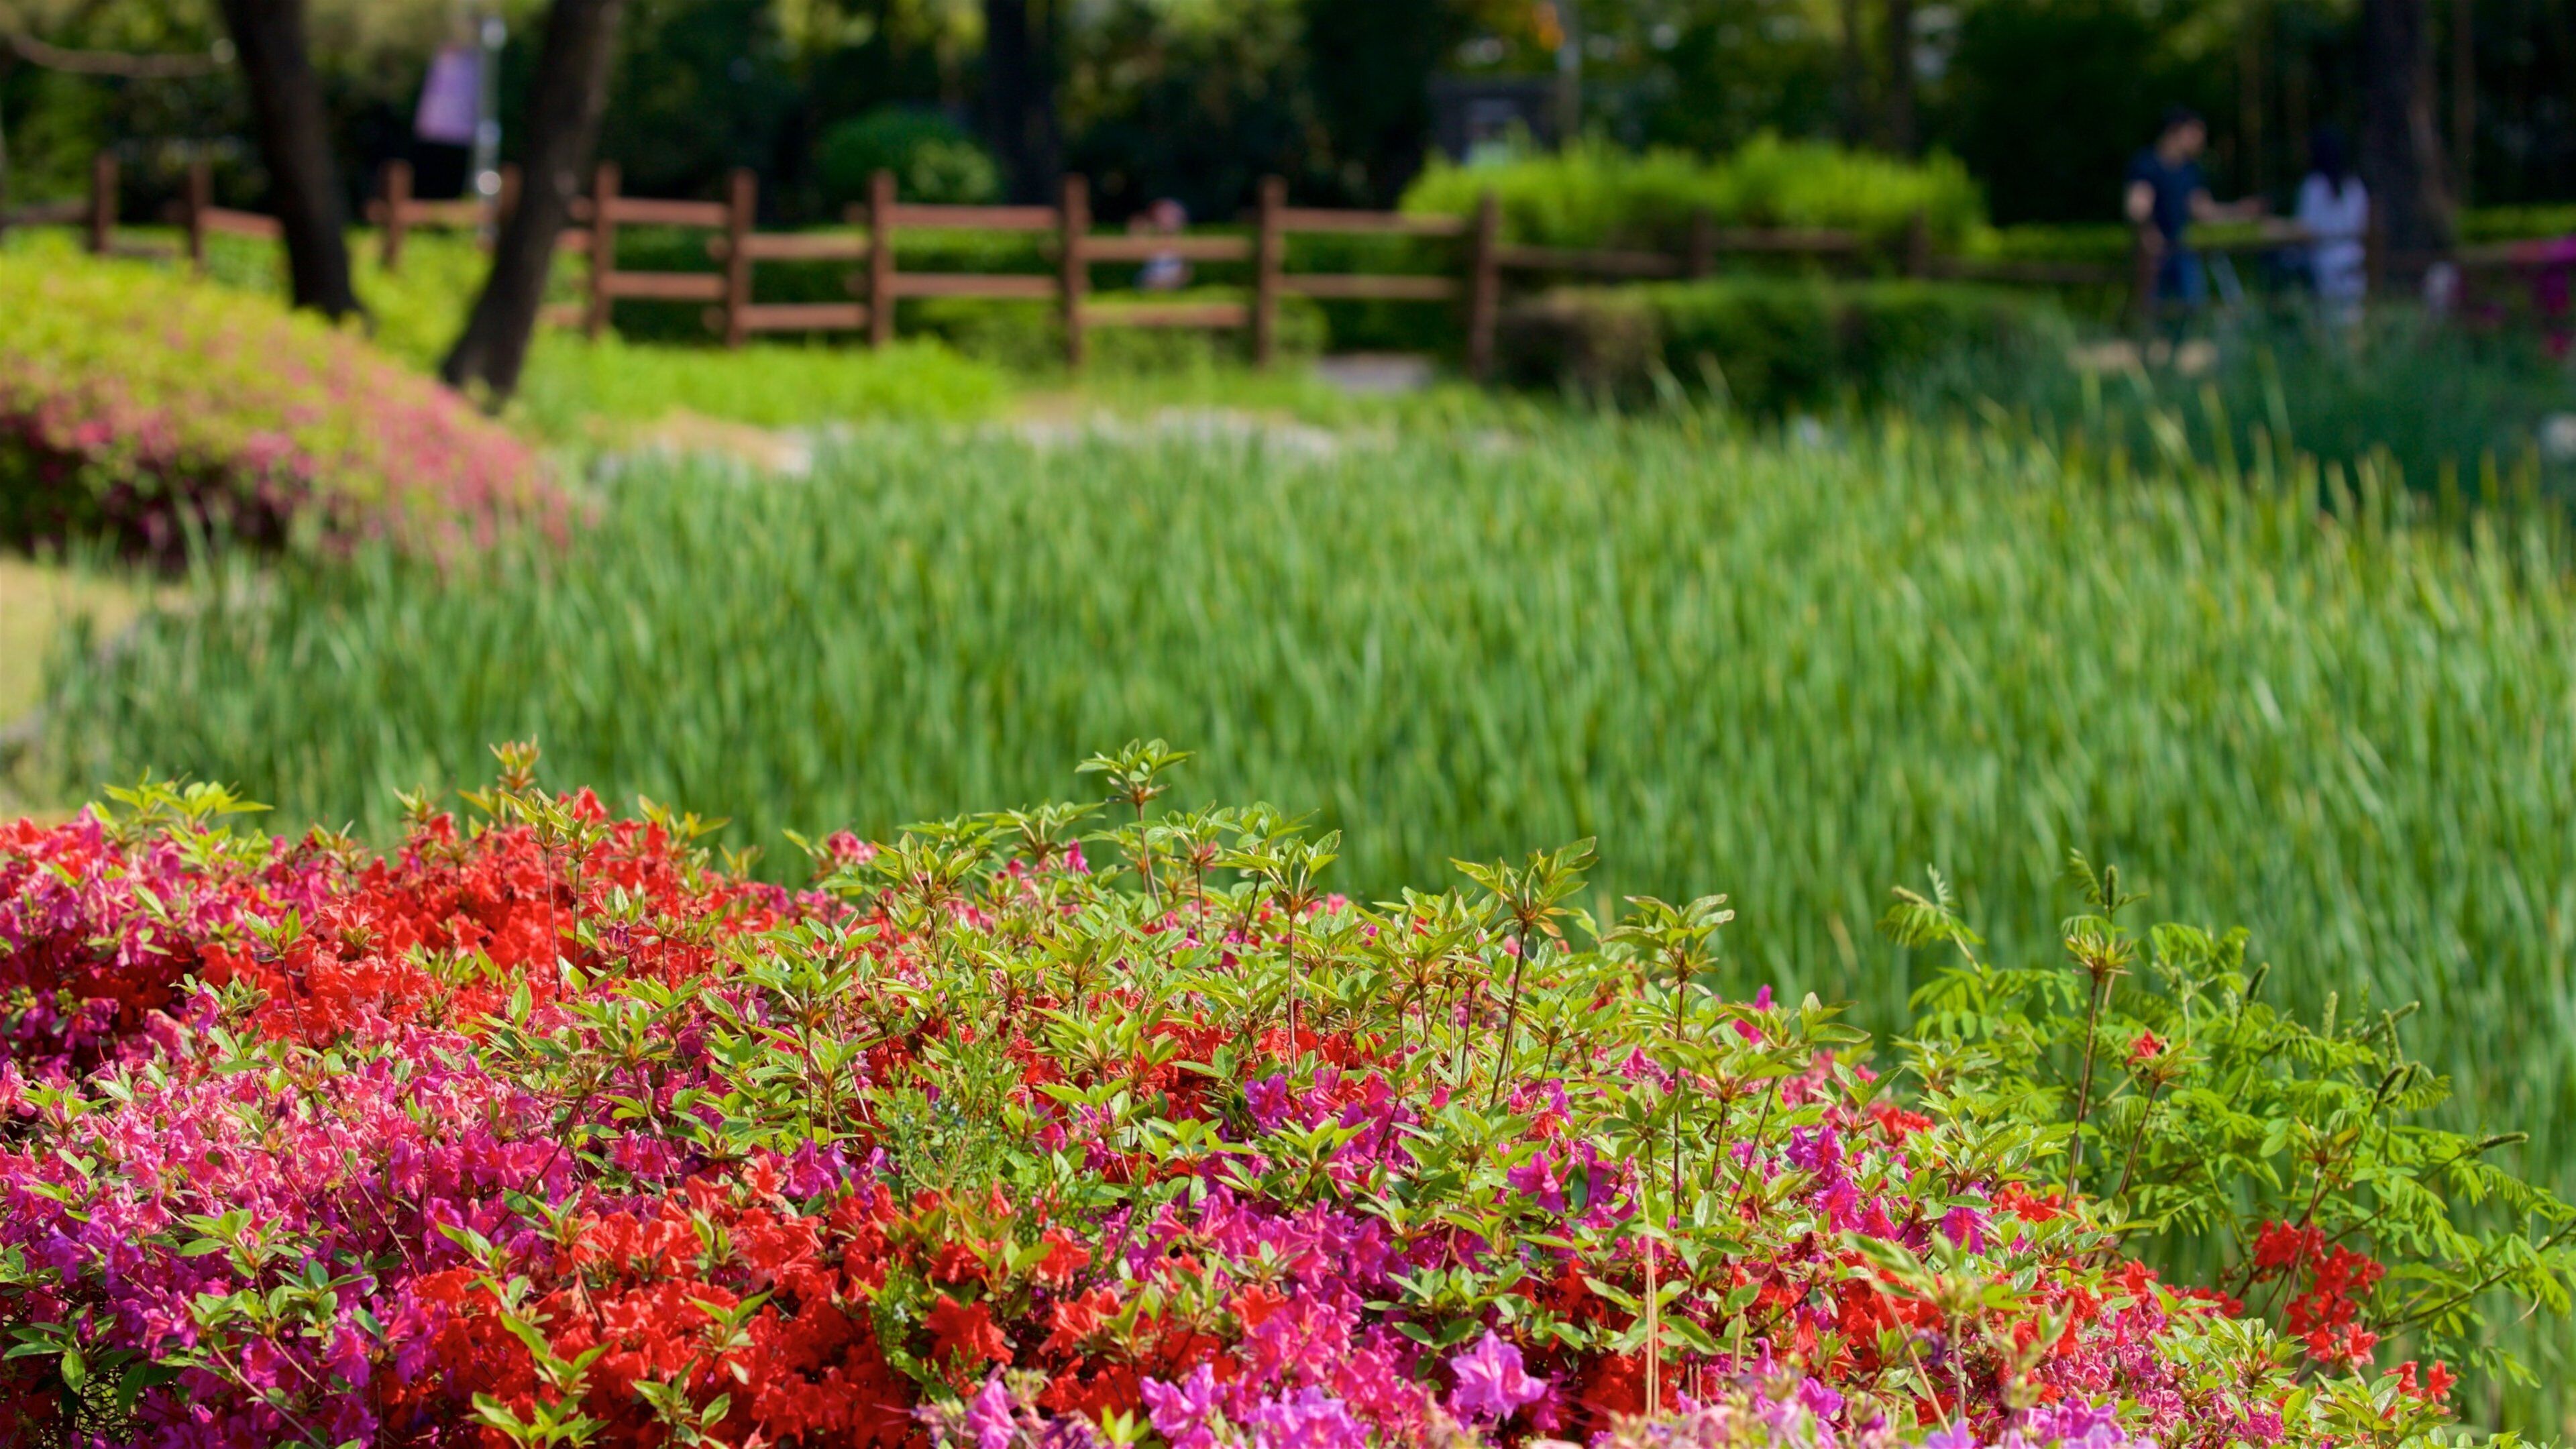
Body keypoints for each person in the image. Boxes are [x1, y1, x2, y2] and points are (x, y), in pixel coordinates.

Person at [2125, 107, 2264, 312]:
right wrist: (2148, 232)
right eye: (2195, 132)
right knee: (2153, 310)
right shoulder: (2147, 165)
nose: (2200, 140)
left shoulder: (2190, 170)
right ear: (2176, 131)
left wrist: (2239, 211)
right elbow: (2137, 208)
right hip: (2153, 253)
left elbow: (2203, 210)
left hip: (2180, 247)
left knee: (2191, 306)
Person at [2294, 125, 2369, 323]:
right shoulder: (2355, 186)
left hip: (2324, 264)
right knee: (2352, 320)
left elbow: (2306, 230)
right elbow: (2362, 226)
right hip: (2354, 261)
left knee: (2329, 323)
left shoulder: (2313, 186)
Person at [1132, 197, 1191, 291]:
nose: (1167, 220)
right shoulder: (1149, 238)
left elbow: (1186, 273)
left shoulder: (1184, 242)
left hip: (1173, 287)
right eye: (1164, 215)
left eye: (1171, 216)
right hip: (1151, 286)